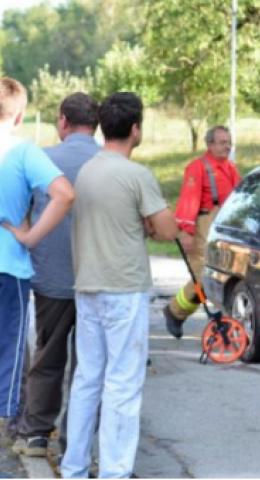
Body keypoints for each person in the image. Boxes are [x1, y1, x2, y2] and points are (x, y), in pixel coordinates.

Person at [60, 92, 178, 479]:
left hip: (88, 284)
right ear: (134, 129)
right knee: (123, 385)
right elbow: (165, 229)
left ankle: (74, 466)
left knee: (86, 380)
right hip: (123, 287)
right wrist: (152, 223)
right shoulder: (136, 175)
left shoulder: (89, 170)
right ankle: (114, 471)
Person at [12, 93, 101, 458]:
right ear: (94, 123)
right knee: (89, 365)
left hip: (52, 276)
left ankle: (35, 434)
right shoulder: (109, 162)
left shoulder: (41, 159)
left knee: (47, 357)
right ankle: (76, 444)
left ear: (63, 120)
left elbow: (22, 213)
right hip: (97, 278)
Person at [0, 77, 75, 426]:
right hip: (9, 267)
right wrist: (30, 238)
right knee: (9, 353)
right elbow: (65, 195)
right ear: (19, 117)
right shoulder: (24, 151)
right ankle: (8, 425)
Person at [164, 125, 242, 339]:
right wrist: (186, 232)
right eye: (222, 142)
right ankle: (174, 312)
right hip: (203, 225)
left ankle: (175, 312)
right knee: (203, 277)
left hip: (223, 226)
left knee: (217, 278)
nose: (227, 146)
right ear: (210, 144)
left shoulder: (231, 168)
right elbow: (189, 199)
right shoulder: (197, 168)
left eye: (229, 142)